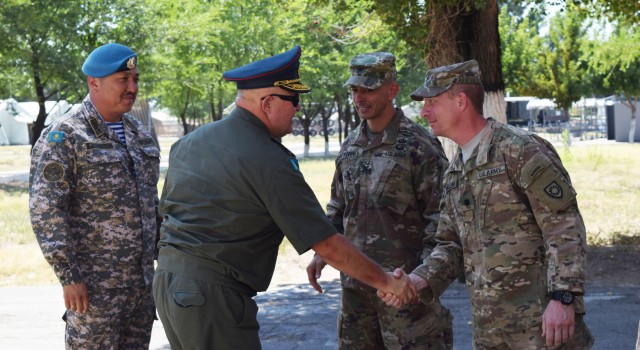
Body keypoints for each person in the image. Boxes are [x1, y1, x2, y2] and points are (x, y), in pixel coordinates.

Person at [152, 45, 415, 350]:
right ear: (267, 103)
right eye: (293, 100)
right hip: (213, 299)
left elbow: (168, 214)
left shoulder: (189, 142)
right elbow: (327, 244)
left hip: (170, 286)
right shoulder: (267, 158)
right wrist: (386, 281)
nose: (298, 108)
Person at [380, 60, 595, 349]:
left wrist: (564, 297)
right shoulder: (456, 170)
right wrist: (418, 279)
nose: (424, 112)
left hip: (543, 329)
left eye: (432, 101)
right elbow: (450, 246)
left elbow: (564, 224)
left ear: (460, 101)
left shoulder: (518, 150)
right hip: (491, 331)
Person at [306, 52, 452, 350]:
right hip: (355, 293)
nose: (359, 96)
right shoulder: (350, 145)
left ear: (392, 90)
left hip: (405, 294)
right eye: (355, 89)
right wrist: (323, 251)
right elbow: (338, 206)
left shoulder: (418, 146)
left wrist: (420, 279)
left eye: (368, 89)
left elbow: (442, 223)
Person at [29, 43, 161, 349]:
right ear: (94, 82)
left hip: (141, 287)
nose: (132, 88)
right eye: (122, 80)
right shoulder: (66, 136)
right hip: (94, 290)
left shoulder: (138, 133)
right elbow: (47, 210)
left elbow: (151, 205)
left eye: (135, 79)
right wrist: (68, 276)